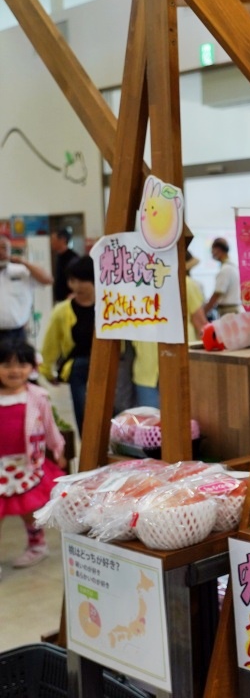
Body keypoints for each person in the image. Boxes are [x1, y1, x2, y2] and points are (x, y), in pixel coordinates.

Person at [0, 338, 66, 573]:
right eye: (6, 365)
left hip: (27, 464)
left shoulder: (38, 396)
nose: (14, 371)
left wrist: (57, 449)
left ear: (32, 367)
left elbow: (49, 426)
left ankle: (37, 545)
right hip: (1, 467)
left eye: (21, 365)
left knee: (29, 509)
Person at [39, 256, 96, 431]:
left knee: (115, 416)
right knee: (85, 417)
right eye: (72, 280)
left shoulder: (111, 305)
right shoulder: (62, 311)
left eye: (82, 281)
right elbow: (51, 343)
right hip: (78, 367)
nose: (76, 286)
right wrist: (47, 370)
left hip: (109, 367)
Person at [0, 237, 53, 347]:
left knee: (19, 362)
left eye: (4, 248)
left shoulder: (20, 270)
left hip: (17, 332)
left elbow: (48, 279)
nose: (1, 251)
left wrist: (23, 261)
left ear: (10, 250)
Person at [202, 237, 240, 318]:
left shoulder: (225, 269)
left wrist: (204, 311)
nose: (212, 253)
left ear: (218, 250)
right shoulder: (232, 267)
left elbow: (217, 293)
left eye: (212, 250)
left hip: (228, 312)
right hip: (233, 311)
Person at [49, 228, 78, 303]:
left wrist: (75, 294)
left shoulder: (73, 258)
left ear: (63, 240)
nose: (51, 242)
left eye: (53, 239)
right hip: (60, 300)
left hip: (71, 300)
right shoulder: (59, 256)